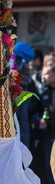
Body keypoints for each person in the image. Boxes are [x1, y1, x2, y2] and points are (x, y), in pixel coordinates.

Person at [39, 56, 55, 184]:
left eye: (46, 74)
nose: (43, 77)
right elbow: (36, 110)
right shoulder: (44, 92)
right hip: (48, 134)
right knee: (49, 162)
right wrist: (39, 120)